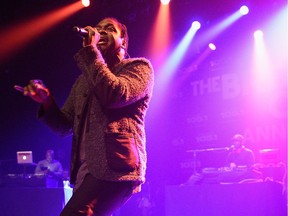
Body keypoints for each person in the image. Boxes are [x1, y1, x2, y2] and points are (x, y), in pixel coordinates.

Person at [15, 17, 154, 216]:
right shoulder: (84, 81)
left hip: (115, 166)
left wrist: (91, 51)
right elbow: (64, 125)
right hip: (85, 171)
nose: (101, 32)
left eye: (109, 29)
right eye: (98, 29)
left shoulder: (138, 67)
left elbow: (113, 94)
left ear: (123, 40)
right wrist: (47, 101)